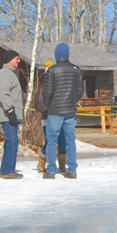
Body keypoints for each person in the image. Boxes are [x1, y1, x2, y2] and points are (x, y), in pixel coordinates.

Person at [42, 42, 84, 179]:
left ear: (56, 54)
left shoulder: (52, 70)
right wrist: (72, 101)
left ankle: (51, 170)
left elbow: (47, 91)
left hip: (55, 110)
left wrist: (48, 105)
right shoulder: (77, 69)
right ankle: (72, 170)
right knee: (70, 140)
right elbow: (80, 90)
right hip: (70, 110)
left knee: (52, 140)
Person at [0, 49, 23, 179]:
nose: (19, 60)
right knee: (11, 142)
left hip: (11, 114)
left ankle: (9, 168)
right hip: (8, 115)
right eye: (16, 58)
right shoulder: (5, 73)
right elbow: (2, 93)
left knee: (13, 142)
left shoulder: (10, 73)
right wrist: (10, 111)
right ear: (9, 59)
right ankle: (7, 171)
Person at [33, 61, 52, 174]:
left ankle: (60, 165)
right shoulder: (42, 87)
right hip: (47, 118)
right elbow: (37, 103)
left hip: (58, 117)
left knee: (59, 141)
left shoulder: (58, 87)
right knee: (49, 141)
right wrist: (46, 110)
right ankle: (41, 162)